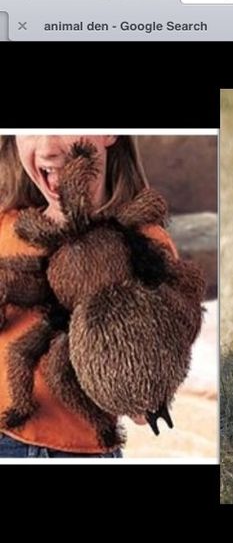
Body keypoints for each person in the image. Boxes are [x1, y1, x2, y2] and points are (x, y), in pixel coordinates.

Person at [0, 135, 181, 458]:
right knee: (31, 357)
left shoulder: (142, 243)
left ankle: (103, 428)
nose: (47, 146)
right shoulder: (10, 232)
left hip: (80, 452)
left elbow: (144, 398)